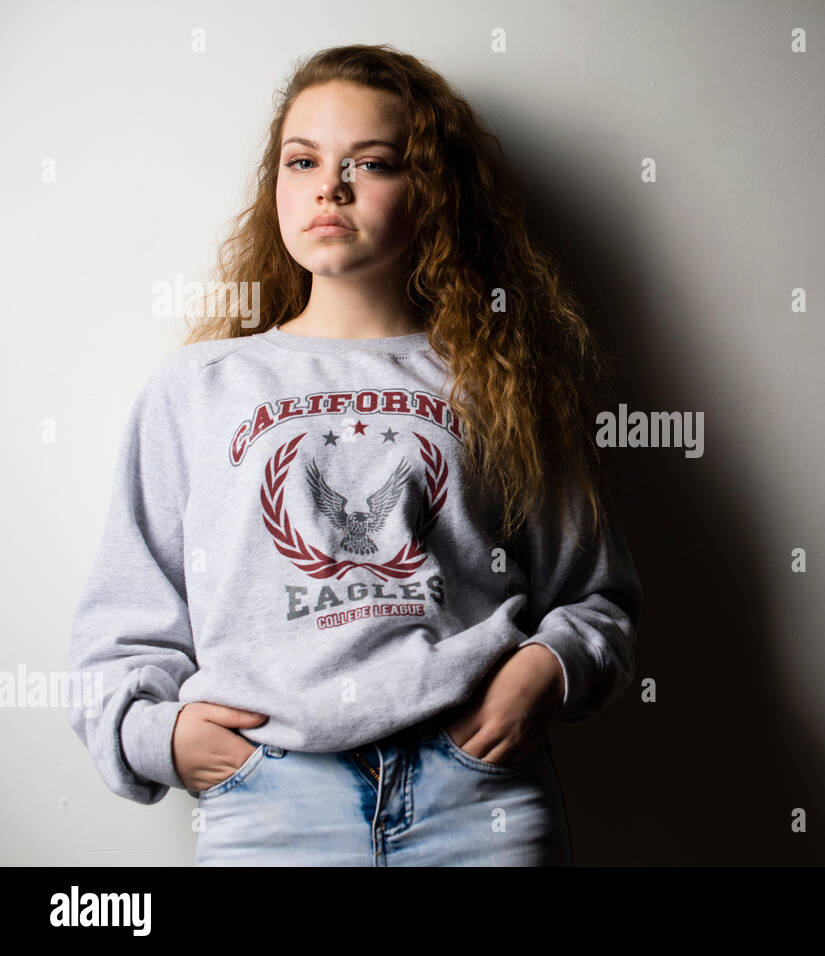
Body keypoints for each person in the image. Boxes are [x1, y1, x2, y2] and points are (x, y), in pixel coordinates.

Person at [66, 44, 643, 867]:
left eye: (370, 163)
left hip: (475, 799)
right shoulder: (199, 387)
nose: (329, 187)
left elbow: (597, 596)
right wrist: (157, 734)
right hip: (269, 800)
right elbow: (125, 615)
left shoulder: (499, 382)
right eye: (303, 161)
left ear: (433, 193)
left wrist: (546, 670)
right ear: (277, 186)